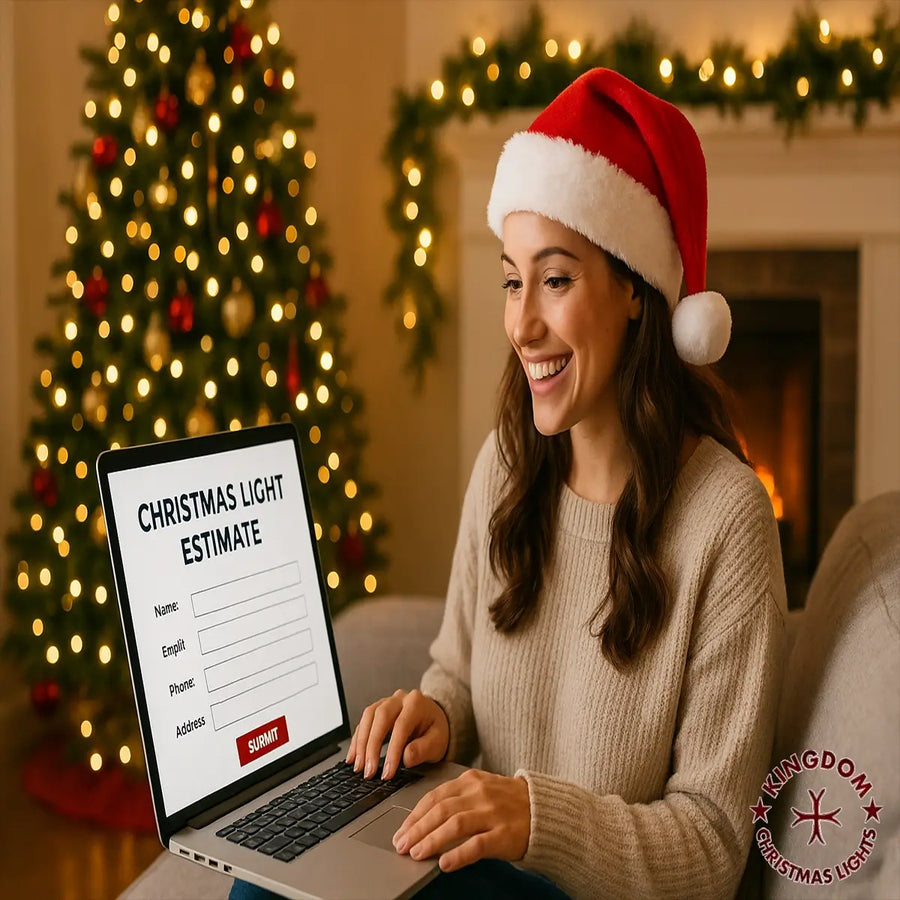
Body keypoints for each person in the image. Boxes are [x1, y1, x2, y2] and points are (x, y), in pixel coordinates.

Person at [233, 67, 787, 900]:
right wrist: (435, 716)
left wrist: (536, 818)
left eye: (555, 280)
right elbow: (457, 674)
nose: (522, 324)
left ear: (635, 291)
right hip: (485, 872)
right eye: (511, 279)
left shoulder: (726, 518)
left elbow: (713, 845)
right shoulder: (506, 463)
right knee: (273, 878)